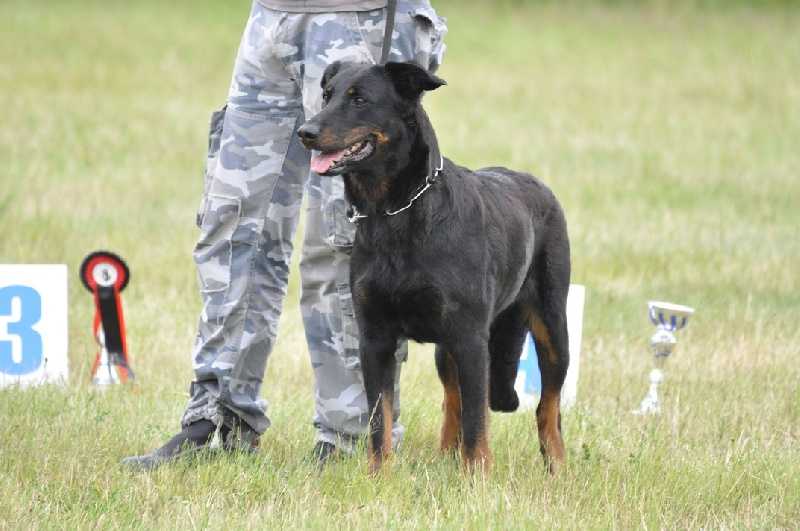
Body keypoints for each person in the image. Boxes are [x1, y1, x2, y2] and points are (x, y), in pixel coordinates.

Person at [122, 0, 446, 469]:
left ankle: (353, 437)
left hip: (362, 15)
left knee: (341, 240)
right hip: (272, 17)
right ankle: (218, 422)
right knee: (232, 224)